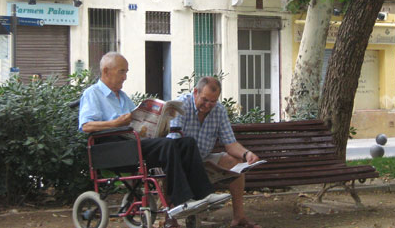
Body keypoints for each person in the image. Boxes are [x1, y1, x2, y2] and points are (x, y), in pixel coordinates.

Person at [78, 52, 229, 225]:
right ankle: (181, 200)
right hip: (112, 148)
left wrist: (161, 122)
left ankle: (204, 195)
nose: (125, 77)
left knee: (186, 143)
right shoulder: (93, 94)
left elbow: (137, 124)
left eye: (126, 72)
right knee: (169, 145)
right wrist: (115, 123)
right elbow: (86, 126)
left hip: (133, 144)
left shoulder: (123, 97)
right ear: (106, 71)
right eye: (122, 72)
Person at [171, 76, 262, 228]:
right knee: (170, 164)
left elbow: (230, 143)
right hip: (181, 162)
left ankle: (239, 217)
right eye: (205, 99)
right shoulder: (180, 105)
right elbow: (173, 143)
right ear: (195, 92)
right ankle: (172, 220)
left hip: (204, 159)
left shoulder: (219, 110)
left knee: (235, 163)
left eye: (212, 101)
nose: (207, 105)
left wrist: (247, 154)